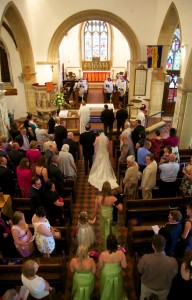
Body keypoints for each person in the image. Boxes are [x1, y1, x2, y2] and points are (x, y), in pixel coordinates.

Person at [137, 234, 178, 300]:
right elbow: (174, 275)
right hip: (163, 289)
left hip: (147, 287)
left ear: (153, 246)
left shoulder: (145, 258)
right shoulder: (173, 261)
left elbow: (139, 270)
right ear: (164, 245)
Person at [92, 181, 122, 249]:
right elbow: (120, 208)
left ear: (102, 189)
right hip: (112, 219)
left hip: (103, 219)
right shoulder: (113, 198)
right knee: (113, 233)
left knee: (104, 233)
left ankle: (106, 247)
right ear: (109, 189)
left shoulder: (98, 198)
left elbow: (95, 210)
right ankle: (114, 246)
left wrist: (93, 217)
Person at [98, 234, 128, 300]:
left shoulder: (102, 254)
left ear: (107, 244)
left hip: (106, 275)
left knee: (106, 289)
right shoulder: (121, 253)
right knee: (117, 289)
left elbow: (100, 266)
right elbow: (124, 266)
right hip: (117, 274)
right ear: (116, 244)